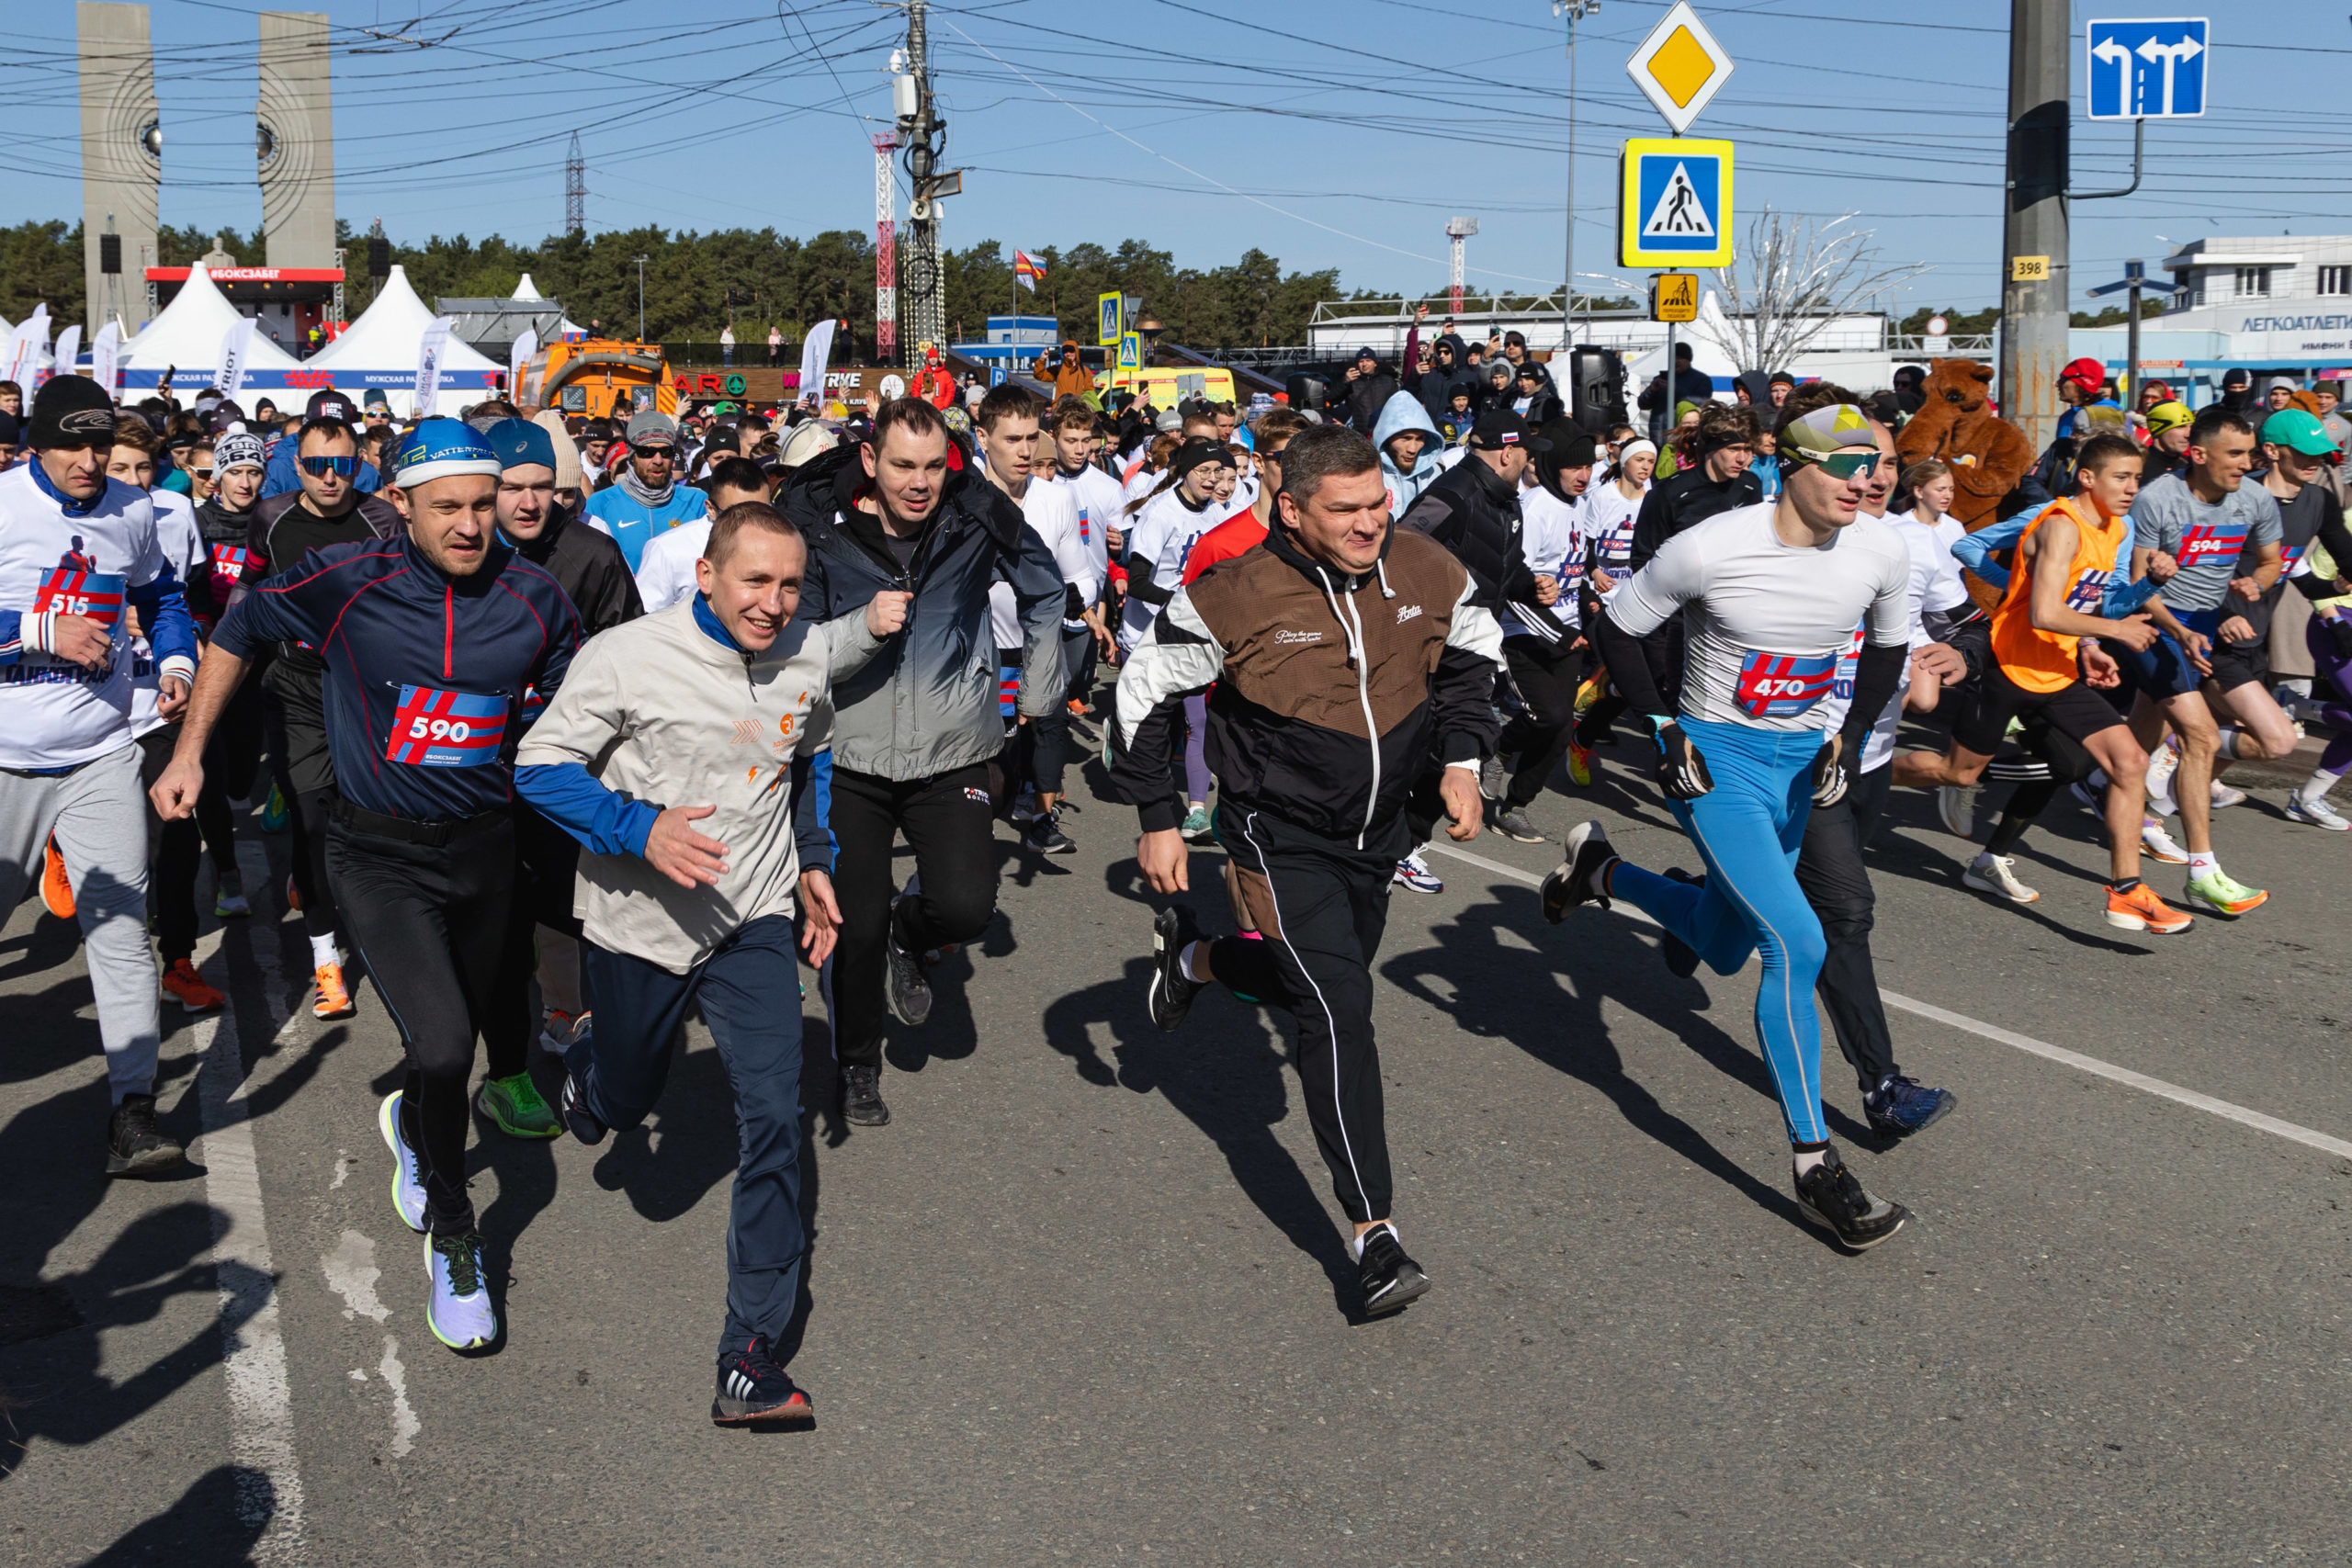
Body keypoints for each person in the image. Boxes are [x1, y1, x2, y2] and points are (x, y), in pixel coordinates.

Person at [155, 419, 583, 1351]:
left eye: (482, 507)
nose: (471, 526)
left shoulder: (539, 597)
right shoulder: (349, 583)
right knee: (440, 1051)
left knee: (465, 1034)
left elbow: (570, 707)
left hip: (484, 849)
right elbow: (238, 625)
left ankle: (415, 1134)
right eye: (449, 509)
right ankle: (456, 1238)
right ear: (403, 507)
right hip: (376, 853)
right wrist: (190, 752)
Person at [520, 501, 906, 1422]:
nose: (771, 604)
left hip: (754, 919)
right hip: (640, 925)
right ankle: (589, 1083)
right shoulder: (626, 656)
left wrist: (814, 864)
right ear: (706, 575)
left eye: (787, 585)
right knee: (622, 1094)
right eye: (752, 581)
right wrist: (637, 827)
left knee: (776, 1118)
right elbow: (538, 765)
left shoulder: (805, 654)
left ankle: (749, 1356)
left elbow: (802, 759)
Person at [1114, 423, 1503, 1315]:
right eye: (1347, 510)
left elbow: (1472, 658)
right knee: (1337, 1010)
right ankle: (1374, 1236)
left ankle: (1196, 961)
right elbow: (1143, 695)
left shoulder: (1426, 567)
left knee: (1316, 990)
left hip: (1381, 830)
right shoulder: (1234, 592)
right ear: (1291, 510)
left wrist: (1462, 759)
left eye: (1379, 503)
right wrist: (1158, 819)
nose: (1372, 523)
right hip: (1275, 830)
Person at [1546, 391, 1918, 1251]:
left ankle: (1598, 874)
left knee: (1723, 944)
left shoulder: (1880, 550)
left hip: (1799, 764)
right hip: (1717, 761)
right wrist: (1665, 725)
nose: (1865, 483)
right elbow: (1619, 624)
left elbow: (1890, 648)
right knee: (1796, 941)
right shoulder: (1713, 544)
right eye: (1847, 467)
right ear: (1789, 466)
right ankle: (1814, 1163)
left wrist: (1845, 732)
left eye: (1875, 468)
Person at [776, 397, 1063, 1128]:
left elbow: (1044, 590)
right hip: (849, 757)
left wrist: (1037, 689)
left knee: (965, 906)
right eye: (903, 464)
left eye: (934, 466)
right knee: (855, 922)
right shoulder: (820, 532)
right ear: (870, 461)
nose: (919, 482)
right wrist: (862, 627)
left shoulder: (978, 521)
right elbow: (795, 652)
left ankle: (916, 931)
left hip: (954, 749)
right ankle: (858, 1064)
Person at [0, 374, 198, 1177]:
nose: (89, 459)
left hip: (101, 751)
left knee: (120, 936)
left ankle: (133, 1111)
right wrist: (42, 630)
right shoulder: (4, 503)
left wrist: (177, 658)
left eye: (99, 442)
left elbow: (163, 597)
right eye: (71, 443)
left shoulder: (133, 509)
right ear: (37, 443)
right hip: (6, 756)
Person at [1893, 434, 2188, 931]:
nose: (2132, 488)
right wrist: (2112, 632)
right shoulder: (2060, 527)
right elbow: (2046, 611)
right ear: (2088, 478)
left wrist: (2146, 588)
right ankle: (1866, 774)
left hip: (2058, 670)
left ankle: (2126, 891)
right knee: (1958, 773)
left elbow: (2100, 606)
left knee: (2129, 760)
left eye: (2137, 478)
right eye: (2121, 477)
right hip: (2007, 670)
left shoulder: (2115, 528)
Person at [475, 416, 642, 1086]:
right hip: (476, 762)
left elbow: (628, 656)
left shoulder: (592, 555)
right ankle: (499, 1025)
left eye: (543, 486)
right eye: (511, 486)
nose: (528, 502)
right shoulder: (465, 546)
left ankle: (568, 1009)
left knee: (562, 895)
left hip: (564, 761)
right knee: (492, 903)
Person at [242, 414, 404, 1019]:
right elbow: (249, 587)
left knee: (365, 820)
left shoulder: (382, 518)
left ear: (358, 462)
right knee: (310, 819)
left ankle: (363, 914)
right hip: (297, 689)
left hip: (367, 691)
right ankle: (325, 958)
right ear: (297, 464)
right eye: (317, 465)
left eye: (342, 465)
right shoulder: (272, 515)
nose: (330, 478)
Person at [2119, 408, 2279, 916]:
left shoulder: (2255, 498)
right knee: (2201, 736)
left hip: (2208, 626)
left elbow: (2272, 559)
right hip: (2154, 623)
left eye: (2250, 454)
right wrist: (2179, 629)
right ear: (2199, 454)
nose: (2245, 464)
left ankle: (2116, 788)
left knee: (2148, 729)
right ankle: (2203, 872)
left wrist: (2258, 583)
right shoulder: (2157, 499)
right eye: (2235, 454)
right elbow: (2138, 586)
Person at [1398, 408, 1558, 844]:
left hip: (1476, 645)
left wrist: (1530, 586)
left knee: (1457, 748)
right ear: (1508, 453)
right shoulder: (1452, 494)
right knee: (1434, 752)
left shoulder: (1504, 499)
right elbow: (1399, 553)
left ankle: (1403, 845)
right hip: (1437, 649)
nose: (1531, 461)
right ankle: (1397, 847)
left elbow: (1502, 563)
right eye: (1527, 452)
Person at [970, 385, 1089, 855]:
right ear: (983, 437)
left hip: (1040, 646)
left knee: (1049, 729)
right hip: (981, 653)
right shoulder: (961, 500)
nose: (1025, 451)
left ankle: (1043, 818)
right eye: (1012, 439)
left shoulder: (1056, 499)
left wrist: (1075, 598)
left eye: (1031, 438)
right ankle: (976, 832)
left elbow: (1080, 574)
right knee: (994, 759)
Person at [636, 456, 774, 615]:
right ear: (710, 509)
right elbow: (645, 620)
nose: (752, 524)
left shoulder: (782, 544)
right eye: (737, 515)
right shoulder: (667, 550)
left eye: (762, 512)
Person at [582, 411, 707, 572]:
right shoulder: (600, 504)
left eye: (666, 451)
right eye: (646, 452)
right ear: (632, 456)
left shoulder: (696, 502)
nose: (657, 460)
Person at [261, 390, 379, 499]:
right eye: (321, 428)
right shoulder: (277, 469)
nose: (329, 479)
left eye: (336, 430)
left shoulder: (367, 473)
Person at [1373, 389, 1443, 516]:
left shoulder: (1435, 472)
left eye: (1420, 438)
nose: (1412, 449)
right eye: (1405, 438)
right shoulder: (1366, 475)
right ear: (1386, 437)